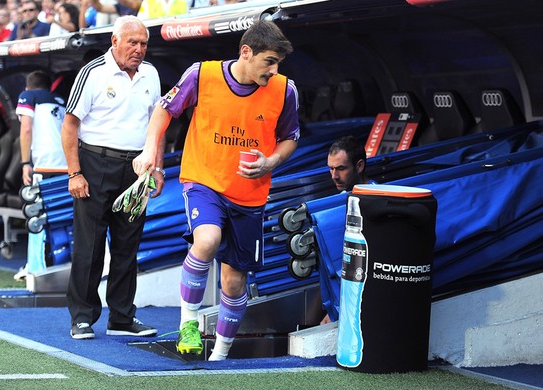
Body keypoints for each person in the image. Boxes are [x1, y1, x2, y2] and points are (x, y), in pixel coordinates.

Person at [132, 20, 300, 361]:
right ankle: (189, 324)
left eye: (278, 63)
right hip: (203, 180)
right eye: (269, 61)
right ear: (246, 52)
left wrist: (270, 162)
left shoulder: (286, 90)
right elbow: (164, 111)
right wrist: (151, 150)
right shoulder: (201, 75)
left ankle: (220, 355)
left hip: (250, 195)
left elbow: (290, 138)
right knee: (206, 240)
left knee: (233, 283)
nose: (274, 70)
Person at [61, 15, 164, 340]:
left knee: (127, 245)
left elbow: (156, 126)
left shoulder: (151, 73)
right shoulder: (93, 72)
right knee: (89, 246)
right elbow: (70, 124)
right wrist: (75, 172)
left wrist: (156, 167)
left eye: (143, 43)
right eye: (132, 42)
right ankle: (82, 317)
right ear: (115, 42)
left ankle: (121, 317)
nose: (138, 49)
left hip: (136, 168)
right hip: (94, 164)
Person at [320, 134, 376, 325]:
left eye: (341, 169)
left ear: (359, 166)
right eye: (331, 169)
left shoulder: (377, 201)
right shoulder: (344, 198)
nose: (334, 176)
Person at [17, 70, 68, 186]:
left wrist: (25, 163)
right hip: (67, 161)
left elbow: (26, 129)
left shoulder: (27, 96)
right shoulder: (62, 101)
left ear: (27, 87)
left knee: (40, 202)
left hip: (44, 161)